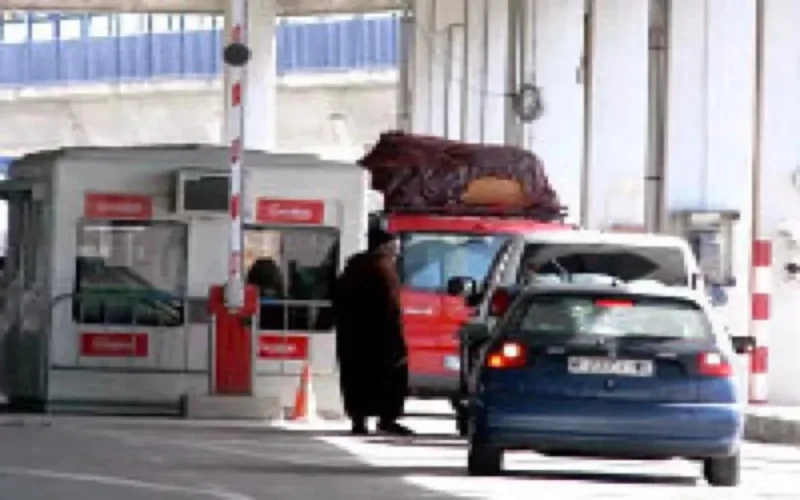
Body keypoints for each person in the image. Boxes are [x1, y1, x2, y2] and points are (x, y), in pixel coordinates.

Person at [332, 226, 413, 436]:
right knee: (390, 377)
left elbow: (338, 300)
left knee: (355, 379)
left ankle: (359, 421)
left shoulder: (353, 267)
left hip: (352, 338)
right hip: (381, 339)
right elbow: (392, 309)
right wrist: (396, 338)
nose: (397, 251)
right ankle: (387, 419)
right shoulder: (383, 269)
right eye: (394, 246)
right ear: (385, 247)